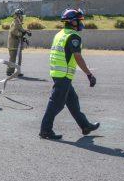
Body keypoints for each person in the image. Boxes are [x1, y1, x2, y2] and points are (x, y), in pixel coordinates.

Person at [39, 9, 100, 140]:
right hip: (63, 75)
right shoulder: (73, 36)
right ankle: (45, 130)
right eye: (79, 20)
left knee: (72, 101)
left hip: (58, 73)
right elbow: (78, 57)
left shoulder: (60, 34)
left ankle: (85, 126)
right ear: (72, 22)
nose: (80, 23)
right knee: (57, 103)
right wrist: (89, 74)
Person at [7, 9, 29, 76]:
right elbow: (13, 31)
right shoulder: (15, 22)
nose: (22, 17)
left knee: (19, 58)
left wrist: (25, 36)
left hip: (18, 44)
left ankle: (17, 71)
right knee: (13, 58)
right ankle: (9, 71)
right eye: (21, 16)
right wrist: (22, 34)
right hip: (13, 44)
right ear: (18, 16)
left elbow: (21, 31)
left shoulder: (19, 23)